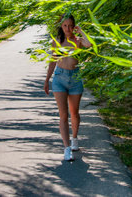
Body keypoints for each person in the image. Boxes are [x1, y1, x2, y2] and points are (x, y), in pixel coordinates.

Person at [44, 14, 92, 161]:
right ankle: (66, 148)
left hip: (75, 79)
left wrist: (81, 31)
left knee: (75, 113)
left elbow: (89, 44)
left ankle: (75, 139)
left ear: (74, 26)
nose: (68, 28)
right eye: (65, 25)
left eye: (71, 26)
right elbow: (53, 61)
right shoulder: (56, 42)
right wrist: (47, 80)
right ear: (61, 27)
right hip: (59, 78)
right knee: (63, 115)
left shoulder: (77, 41)